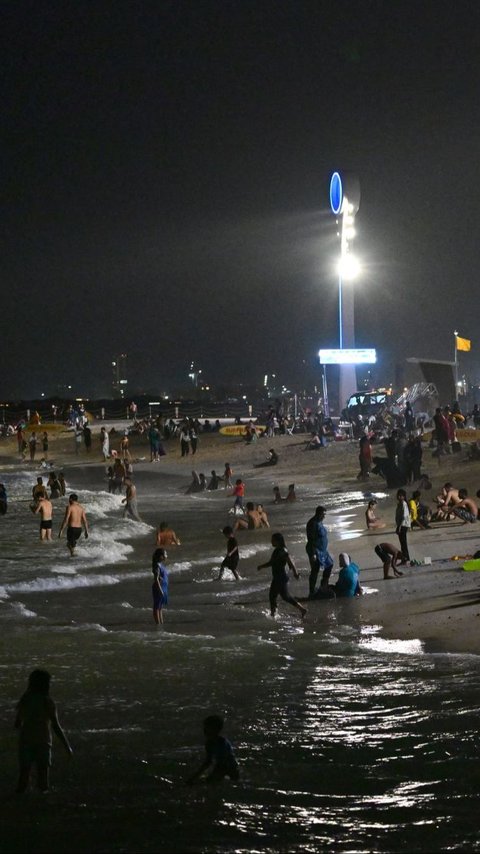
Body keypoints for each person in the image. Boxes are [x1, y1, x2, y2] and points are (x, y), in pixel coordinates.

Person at [15, 669, 73, 793]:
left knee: (24, 775)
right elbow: (56, 726)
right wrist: (67, 746)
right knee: (43, 777)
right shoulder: (47, 701)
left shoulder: (25, 699)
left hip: (26, 740)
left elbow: (17, 723)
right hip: (43, 741)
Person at [257, 532, 307, 619]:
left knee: (284, 596)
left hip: (280, 577)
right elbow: (272, 563)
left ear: (278, 541)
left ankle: (300, 609)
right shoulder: (277, 550)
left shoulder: (282, 550)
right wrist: (262, 566)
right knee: (274, 596)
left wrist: (295, 573)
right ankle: (274, 613)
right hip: (278, 577)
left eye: (273, 540)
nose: (271, 542)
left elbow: (290, 562)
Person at [186, 715, 239, 784]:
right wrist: (194, 777)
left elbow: (222, 764)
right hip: (222, 767)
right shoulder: (209, 743)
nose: (204, 730)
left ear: (216, 730)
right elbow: (208, 762)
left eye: (207, 727)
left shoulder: (222, 744)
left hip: (231, 769)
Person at [305, 506, 334, 598]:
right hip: (316, 550)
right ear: (318, 513)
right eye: (323, 514)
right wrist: (313, 554)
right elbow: (311, 539)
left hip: (323, 550)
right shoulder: (312, 523)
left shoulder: (319, 521)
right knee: (315, 570)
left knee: (330, 564)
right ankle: (312, 591)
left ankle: (323, 585)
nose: (324, 517)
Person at [151, 547, 169, 624]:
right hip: (159, 588)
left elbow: (161, 576)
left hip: (163, 587)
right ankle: (158, 624)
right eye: (165, 554)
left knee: (160, 607)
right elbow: (156, 579)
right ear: (161, 556)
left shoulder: (160, 565)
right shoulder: (156, 566)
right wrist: (160, 590)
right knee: (157, 607)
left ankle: (161, 623)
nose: (166, 556)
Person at [395, 489, 411, 562]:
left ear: (404, 497)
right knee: (402, 543)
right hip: (402, 524)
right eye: (398, 495)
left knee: (403, 543)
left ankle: (405, 559)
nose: (399, 497)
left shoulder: (403, 504)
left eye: (401, 495)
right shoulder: (400, 504)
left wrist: (399, 527)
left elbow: (404, 516)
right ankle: (405, 558)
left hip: (403, 525)